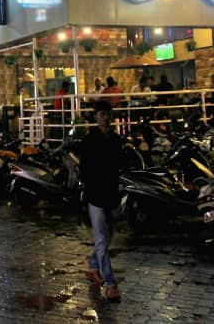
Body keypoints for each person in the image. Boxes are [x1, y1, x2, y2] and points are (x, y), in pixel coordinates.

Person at [80, 100, 122, 301]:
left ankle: (94, 264)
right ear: (96, 116)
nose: (105, 117)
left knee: (108, 235)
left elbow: (121, 166)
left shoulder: (116, 140)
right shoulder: (89, 140)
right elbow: (84, 170)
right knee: (102, 240)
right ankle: (111, 283)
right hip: (96, 196)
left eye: (107, 113)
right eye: (101, 114)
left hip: (112, 194)